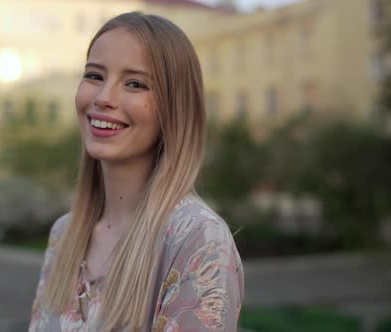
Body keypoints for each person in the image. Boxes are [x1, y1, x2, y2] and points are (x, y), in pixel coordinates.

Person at [29, 12, 244, 332]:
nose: (103, 98)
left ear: (175, 107)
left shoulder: (198, 239)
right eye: (94, 76)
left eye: (135, 84)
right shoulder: (64, 234)